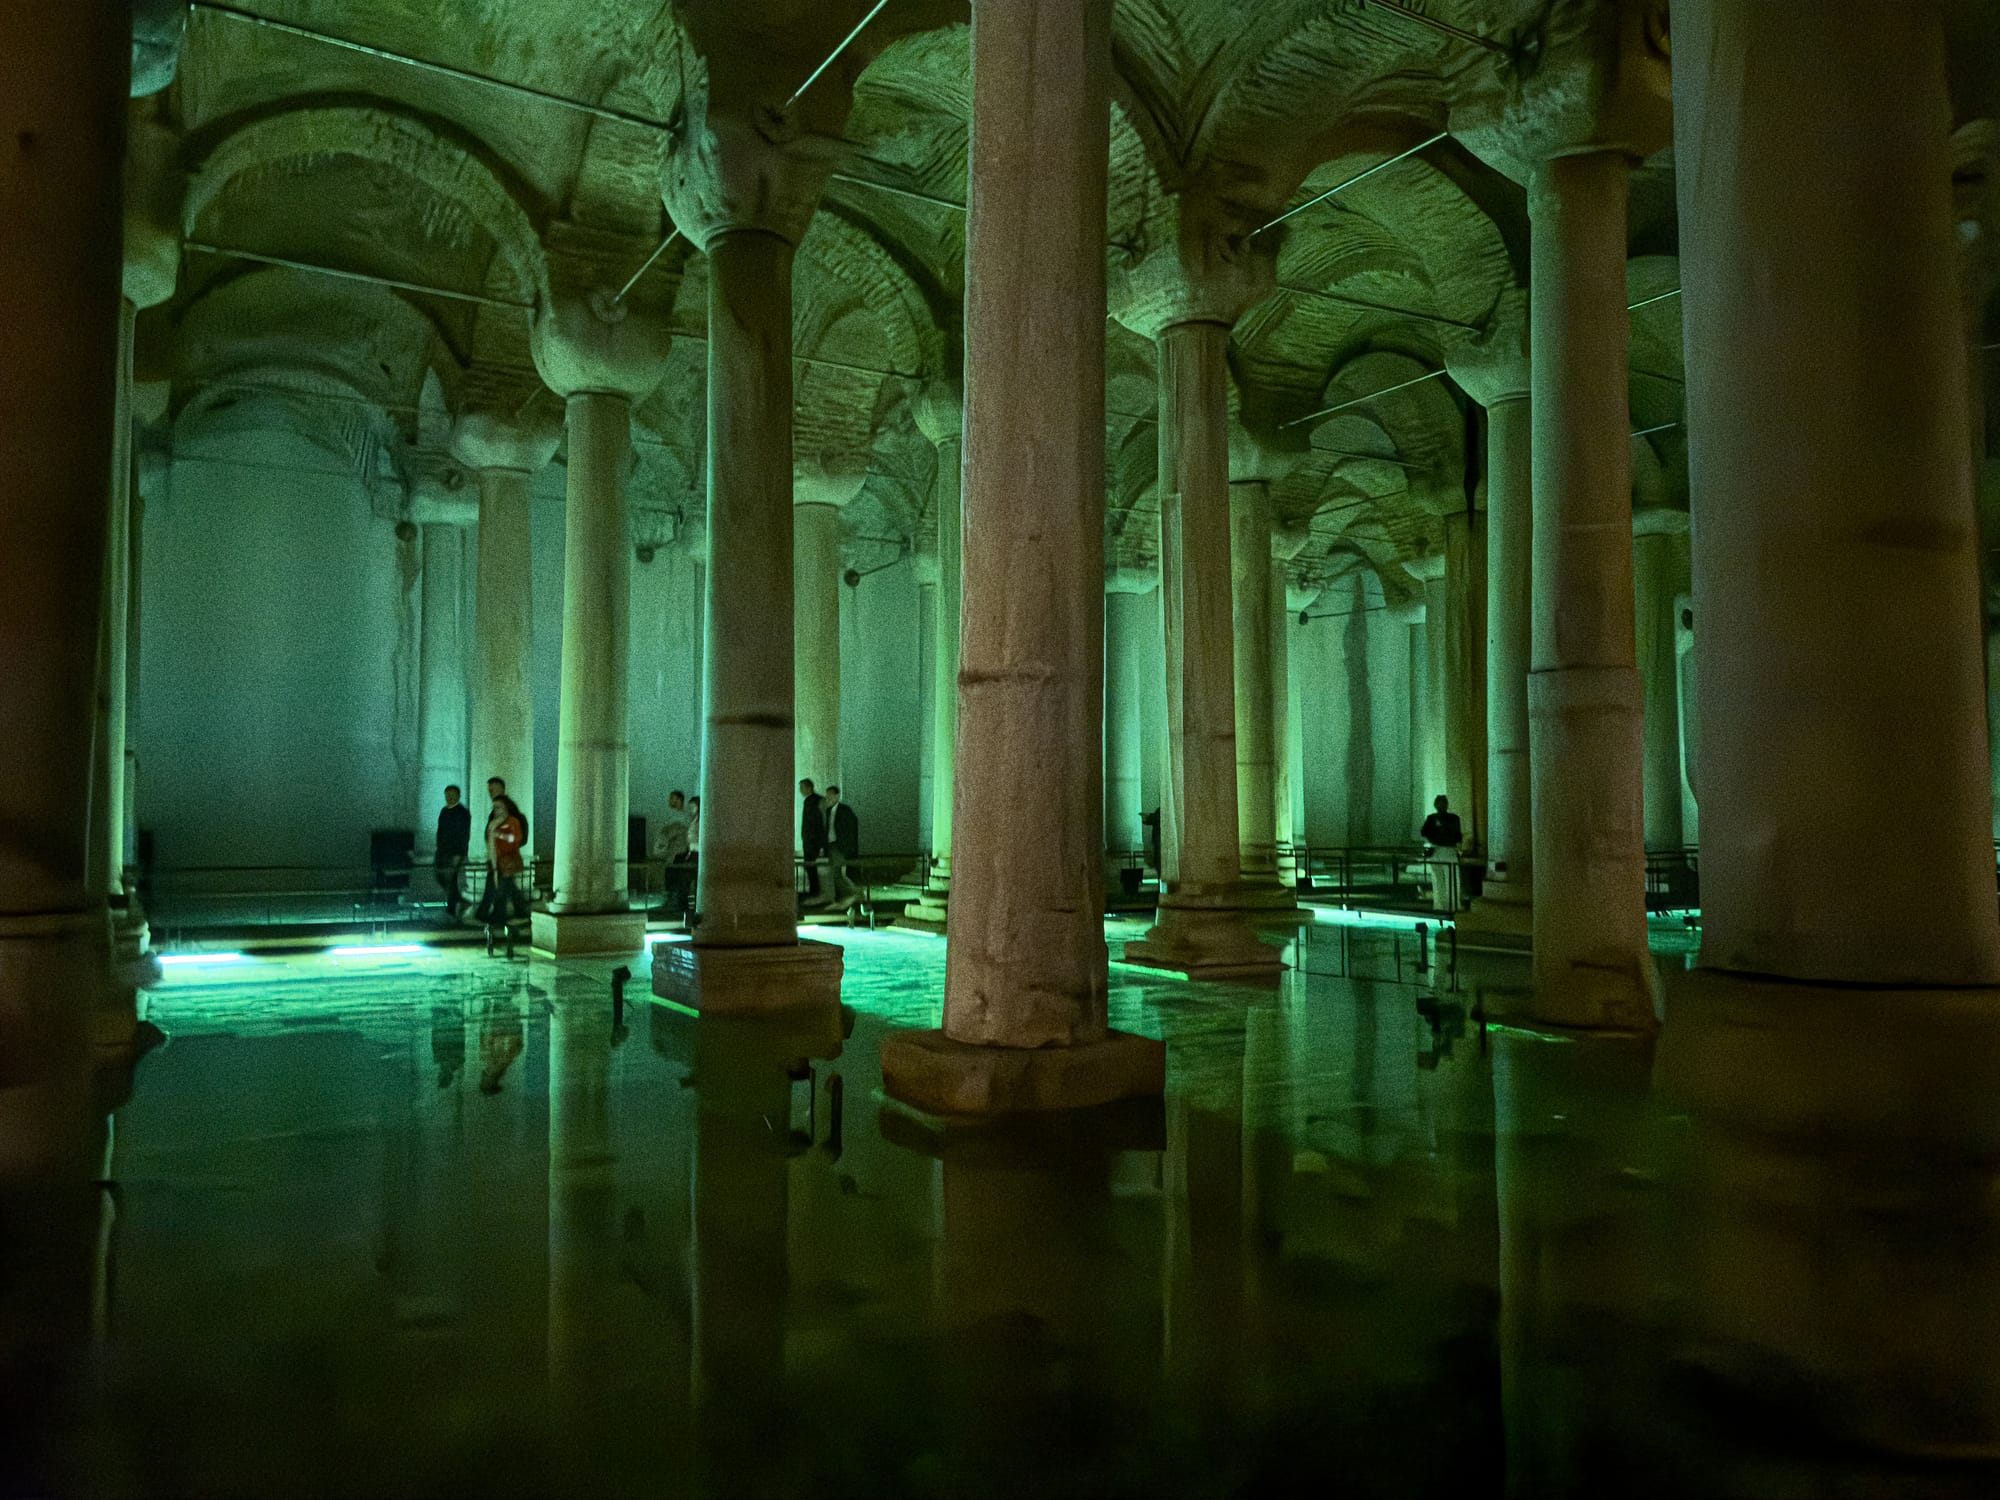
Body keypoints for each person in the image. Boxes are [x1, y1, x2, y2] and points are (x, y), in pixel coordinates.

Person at [478, 793, 531, 948]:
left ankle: (499, 915)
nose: (496, 810)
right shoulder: (494, 823)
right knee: (507, 888)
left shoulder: (512, 821)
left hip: (508, 862)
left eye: (499, 807)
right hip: (497, 861)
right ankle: (515, 912)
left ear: (506, 807)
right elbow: (490, 842)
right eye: (494, 807)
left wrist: (498, 834)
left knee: (503, 888)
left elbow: (515, 839)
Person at [1419, 794, 1463, 913]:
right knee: (1451, 880)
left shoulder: (1431, 818)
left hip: (1436, 850)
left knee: (1438, 880)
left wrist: (1433, 839)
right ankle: (1452, 905)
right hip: (1448, 850)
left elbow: (1423, 833)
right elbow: (1457, 836)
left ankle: (1440, 905)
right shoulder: (1454, 818)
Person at [434, 784, 471, 918]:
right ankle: (460, 901)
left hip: (454, 852)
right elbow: (440, 831)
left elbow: (464, 835)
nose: (449, 797)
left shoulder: (462, 813)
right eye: (447, 795)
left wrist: (459, 854)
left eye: (452, 795)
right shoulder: (444, 811)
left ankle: (451, 909)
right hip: (442, 851)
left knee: (450, 879)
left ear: (458, 796)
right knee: (442, 878)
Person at [824, 785, 861, 913]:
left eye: (830, 796)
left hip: (839, 847)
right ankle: (848, 897)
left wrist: (847, 848)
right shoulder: (828, 811)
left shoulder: (845, 811)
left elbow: (851, 830)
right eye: (827, 796)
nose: (827, 799)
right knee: (836, 874)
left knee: (837, 874)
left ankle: (854, 894)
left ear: (837, 796)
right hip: (832, 846)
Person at [799, 778, 827, 905]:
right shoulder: (814, 800)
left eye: (802, 788)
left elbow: (819, 823)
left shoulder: (814, 801)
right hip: (810, 840)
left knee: (811, 865)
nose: (800, 790)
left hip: (812, 840)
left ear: (809, 788)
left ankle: (815, 891)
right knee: (810, 866)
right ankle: (814, 890)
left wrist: (820, 843)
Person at [652, 789, 691, 862]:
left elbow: (681, 830)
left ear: (679, 800)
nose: (669, 800)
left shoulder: (685, 816)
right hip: (669, 848)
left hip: (678, 849)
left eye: (672, 798)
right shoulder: (671, 814)